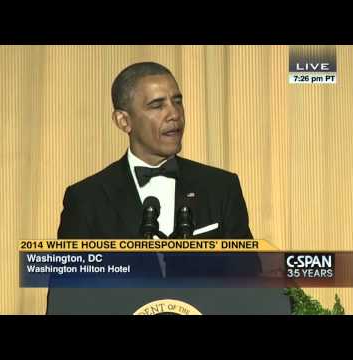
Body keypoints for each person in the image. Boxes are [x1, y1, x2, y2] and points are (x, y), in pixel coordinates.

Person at [46, 62, 289, 314]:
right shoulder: (87, 199)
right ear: (123, 120)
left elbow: (249, 284)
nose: (174, 114)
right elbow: (65, 302)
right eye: (157, 105)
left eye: (177, 101)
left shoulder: (220, 187)